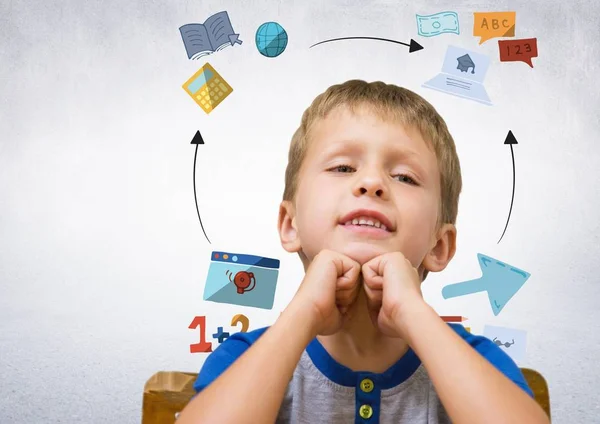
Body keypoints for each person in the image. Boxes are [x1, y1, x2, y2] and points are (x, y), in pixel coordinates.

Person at [177, 80, 550, 424]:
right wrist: (302, 312)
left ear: (439, 246)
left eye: (404, 177)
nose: (372, 183)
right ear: (290, 226)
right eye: (342, 167)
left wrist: (413, 313)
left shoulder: (477, 362)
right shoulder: (244, 356)